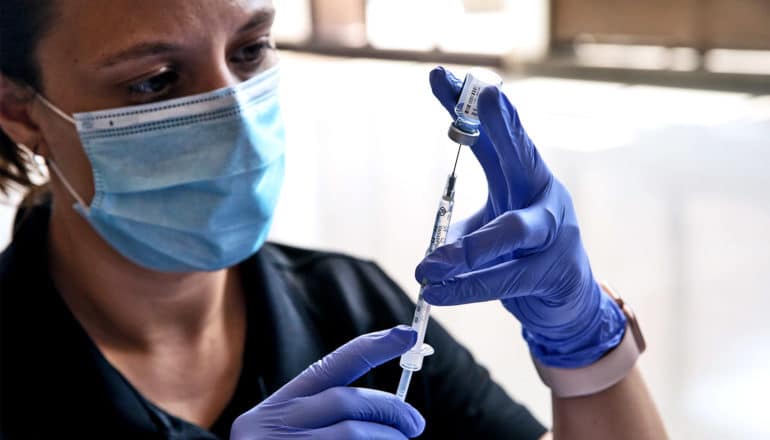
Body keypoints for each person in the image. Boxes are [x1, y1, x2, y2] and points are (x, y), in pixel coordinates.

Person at [0, 0, 667, 438]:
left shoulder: (351, 310)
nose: (236, 122)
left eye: (249, 51)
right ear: (23, 112)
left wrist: (588, 348)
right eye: (155, 81)